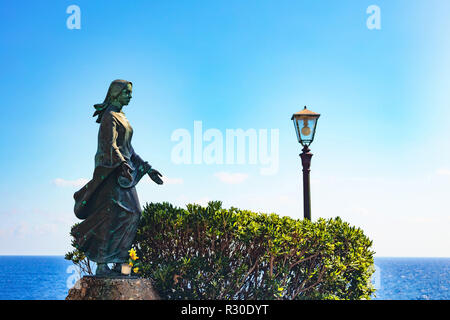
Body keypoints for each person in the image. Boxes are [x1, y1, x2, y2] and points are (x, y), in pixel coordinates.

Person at [72, 80, 163, 276]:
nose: (130, 96)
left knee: (133, 214)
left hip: (124, 173)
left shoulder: (122, 117)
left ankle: (122, 267)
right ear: (115, 94)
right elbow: (109, 146)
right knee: (111, 217)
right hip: (112, 174)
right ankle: (102, 266)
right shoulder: (109, 117)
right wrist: (121, 163)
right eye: (127, 93)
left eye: (131, 93)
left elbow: (128, 149)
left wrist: (147, 169)